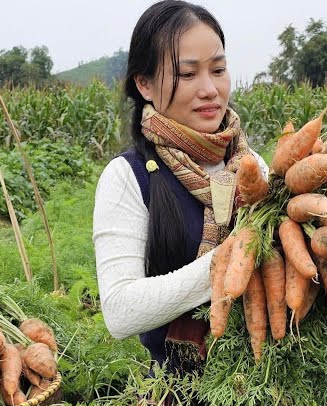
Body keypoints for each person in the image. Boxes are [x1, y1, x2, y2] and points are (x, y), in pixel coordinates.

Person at [92, 0, 268, 378]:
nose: (210, 89)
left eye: (218, 70)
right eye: (187, 75)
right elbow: (120, 311)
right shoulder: (128, 177)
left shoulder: (252, 167)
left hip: (272, 386)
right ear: (145, 84)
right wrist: (228, 261)